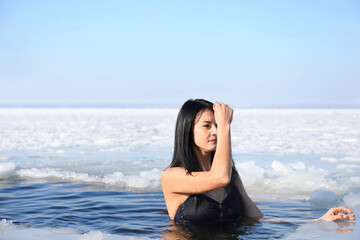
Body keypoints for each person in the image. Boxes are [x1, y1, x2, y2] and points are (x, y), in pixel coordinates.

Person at [161, 99, 355, 224]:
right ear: (187, 130)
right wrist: (226, 125)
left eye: (218, 125)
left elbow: (258, 219)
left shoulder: (232, 178)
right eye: (207, 126)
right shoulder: (172, 177)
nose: (216, 131)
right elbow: (218, 177)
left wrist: (319, 220)